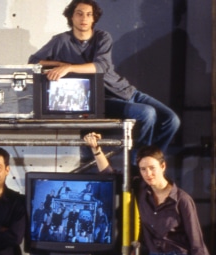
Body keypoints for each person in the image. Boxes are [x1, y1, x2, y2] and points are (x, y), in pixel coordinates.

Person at [29, 0, 180, 155]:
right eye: (79, 14)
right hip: (101, 99)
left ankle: (150, 159)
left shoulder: (103, 37)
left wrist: (69, 68)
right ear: (71, 17)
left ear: (94, 18)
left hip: (125, 91)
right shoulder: (61, 40)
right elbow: (33, 61)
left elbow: (100, 67)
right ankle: (137, 165)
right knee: (146, 113)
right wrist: (60, 63)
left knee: (171, 120)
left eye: (89, 14)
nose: (84, 18)